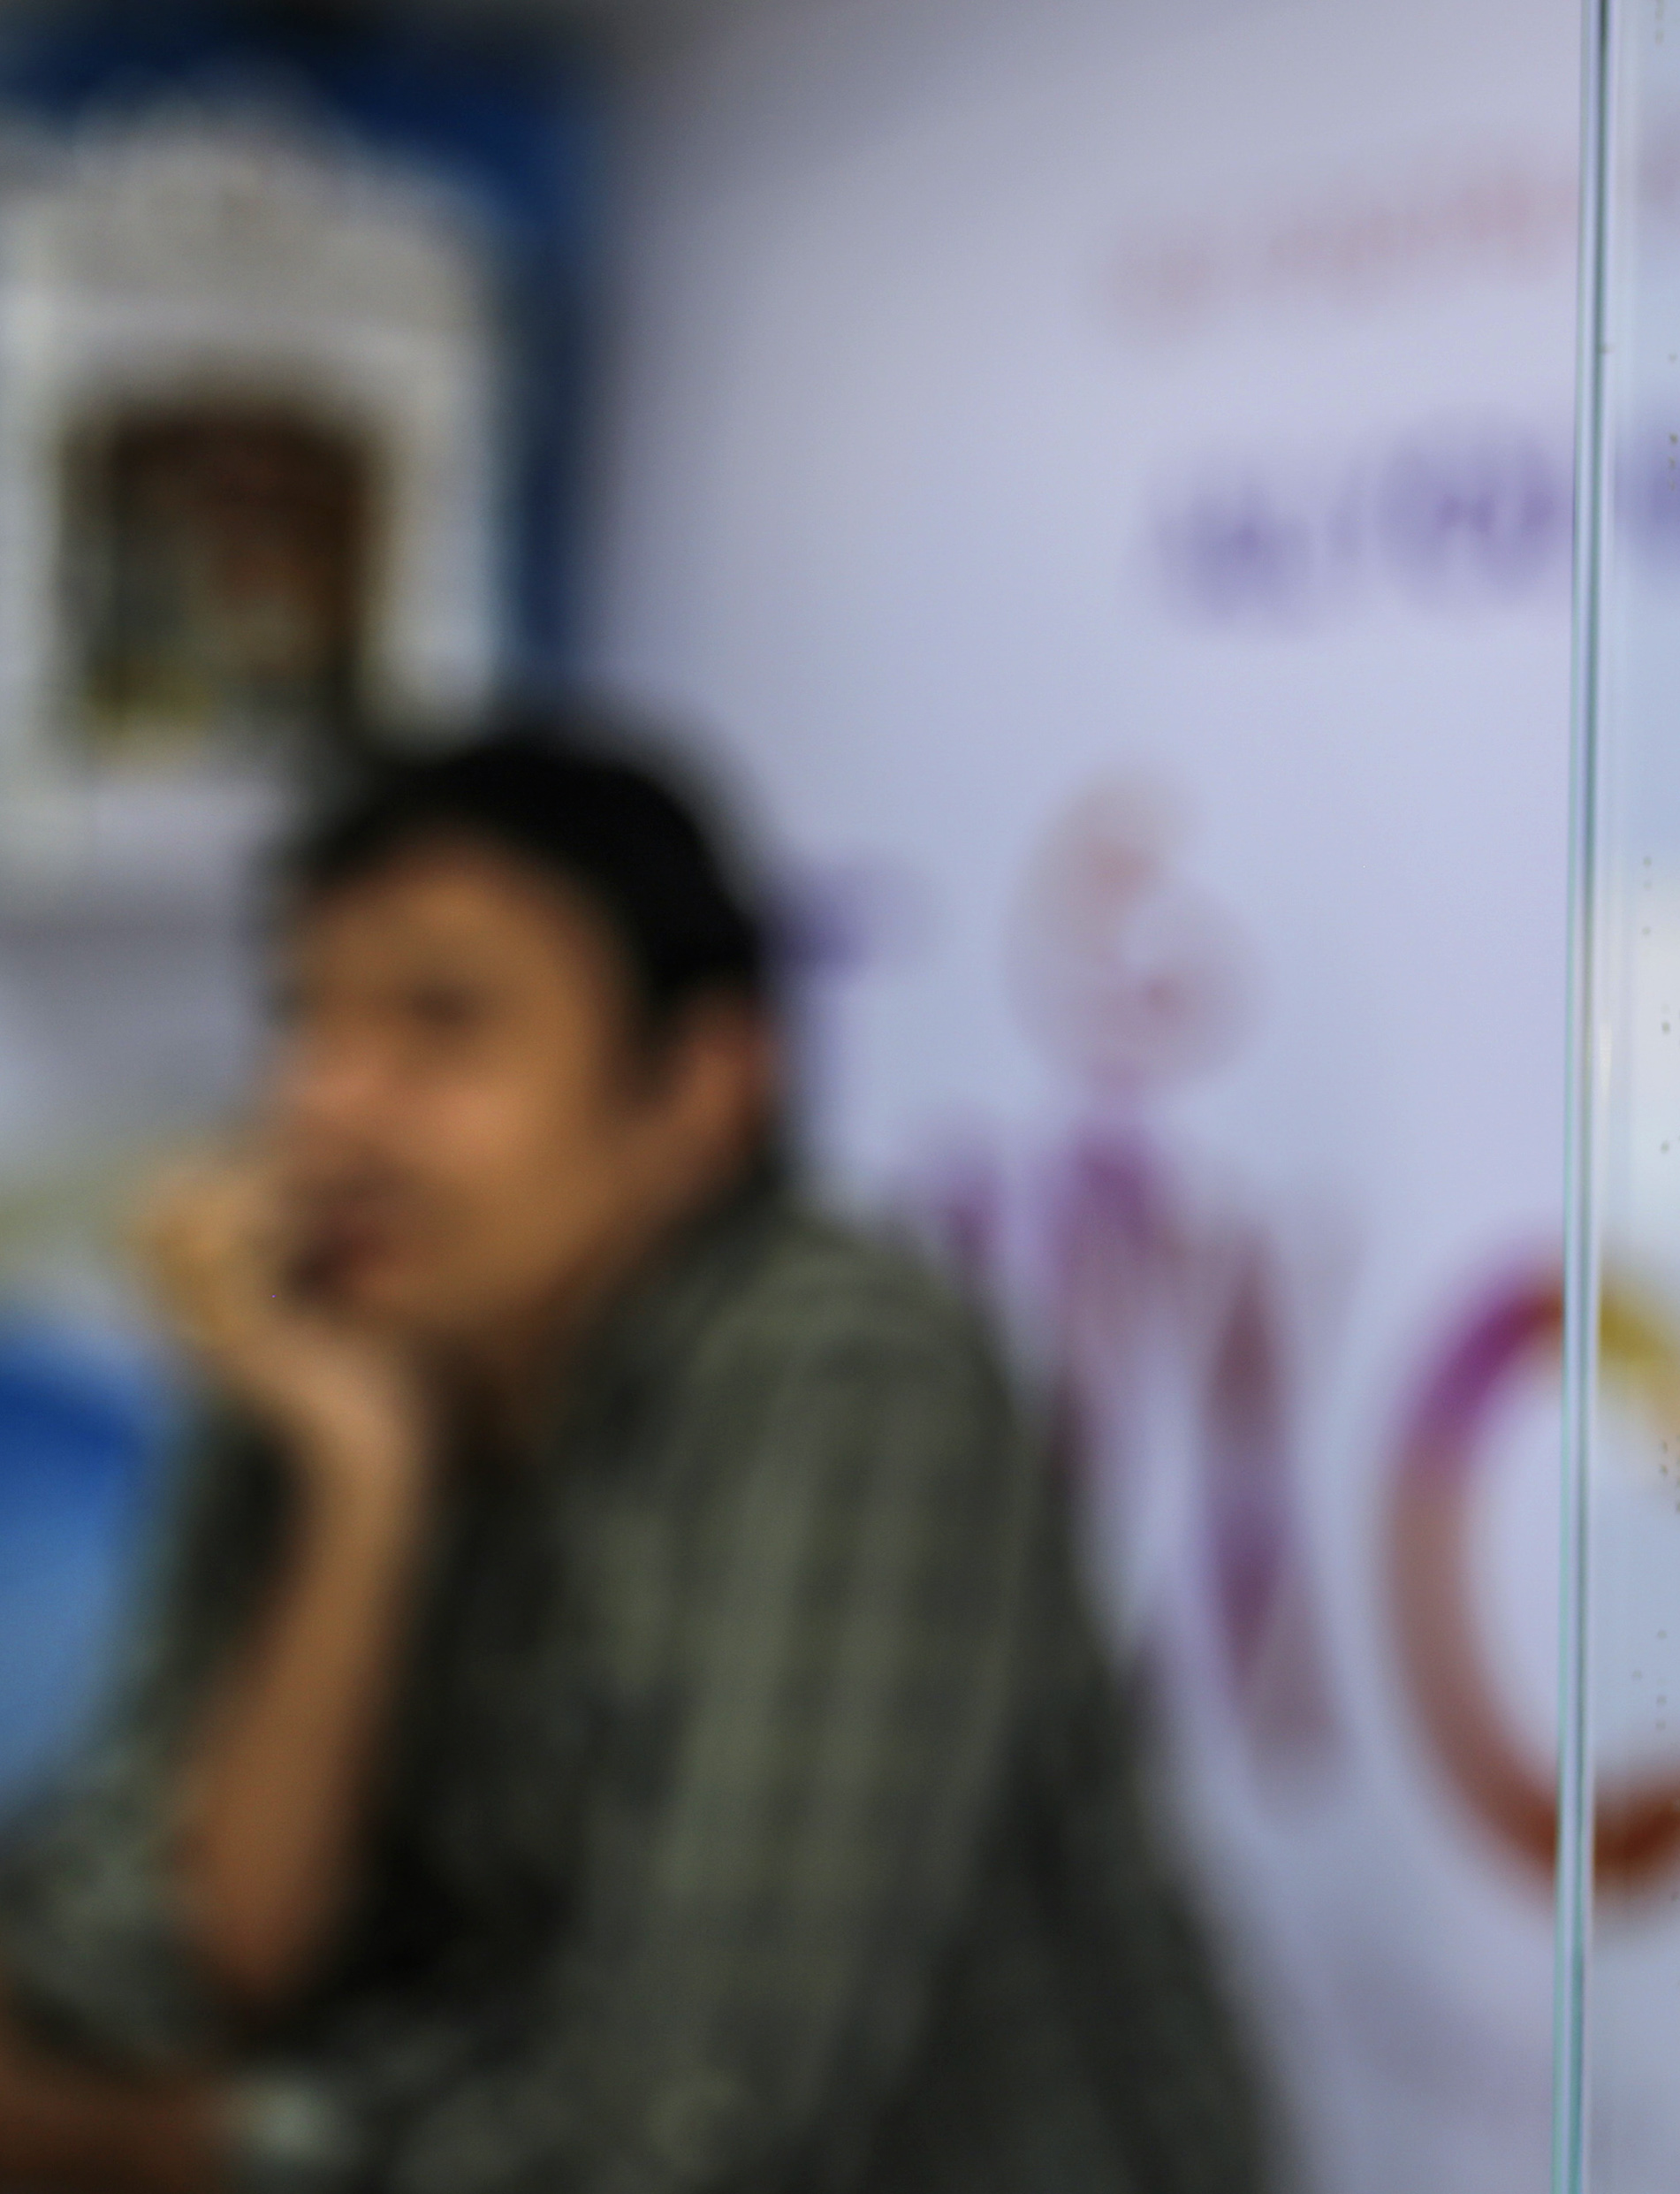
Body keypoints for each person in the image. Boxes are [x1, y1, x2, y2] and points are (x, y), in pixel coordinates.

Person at [0, 726, 1270, 2194]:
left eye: (440, 1029)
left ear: (701, 1087)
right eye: (306, 1021)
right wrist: (360, 1492)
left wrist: (190, 2143)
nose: (329, 1106)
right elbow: (152, 1953)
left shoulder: (843, 1376)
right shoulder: (341, 1347)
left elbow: (686, 2122)